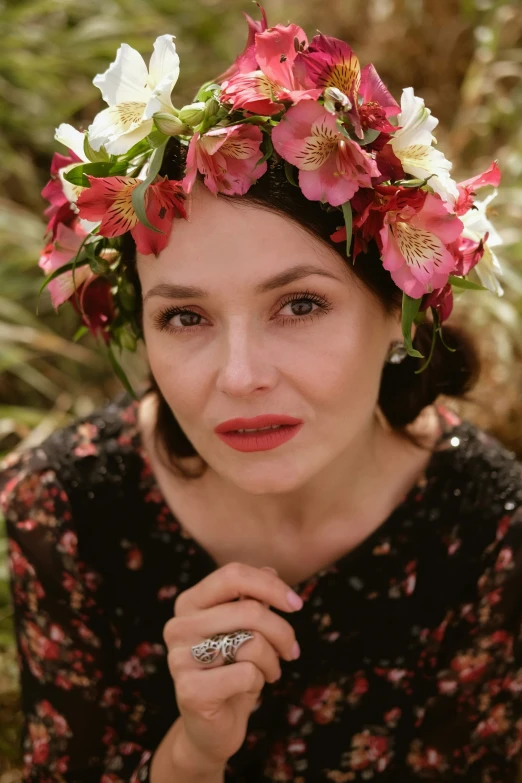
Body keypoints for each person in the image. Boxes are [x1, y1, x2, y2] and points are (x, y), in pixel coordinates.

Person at [1, 5, 521, 782]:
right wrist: (193, 753)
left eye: (300, 304)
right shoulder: (66, 510)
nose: (240, 376)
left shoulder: (494, 538)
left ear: (401, 307)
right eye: (184, 315)